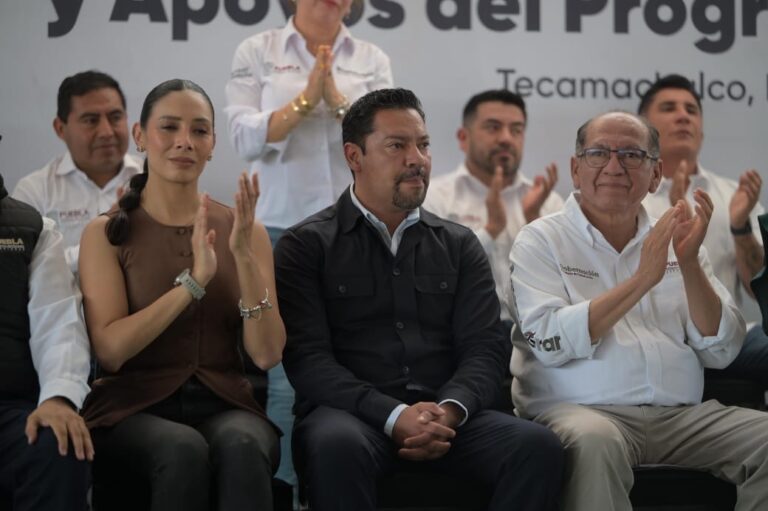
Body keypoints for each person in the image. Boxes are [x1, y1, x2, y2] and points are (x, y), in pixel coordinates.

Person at [275, 88, 564, 511]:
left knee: (536, 446)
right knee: (335, 443)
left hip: (447, 416)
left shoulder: (459, 244)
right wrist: (394, 416)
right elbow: (308, 361)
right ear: (354, 157)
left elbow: (485, 348)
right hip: (353, 416)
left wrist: (448, 411)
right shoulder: (306, 245)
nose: (417, 158)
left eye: (423, 144)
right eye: (397, 145)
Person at [509, 110, 768, 511]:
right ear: (576, 170)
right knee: (594, 440)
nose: (614, 166)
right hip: (584, 413)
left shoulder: (677, 237)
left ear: (655, 174)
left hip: (680, 418)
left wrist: (687, 265)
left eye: (632, 155)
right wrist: (641, 280)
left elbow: (722, 349)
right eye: (598, 153)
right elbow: (549, 338)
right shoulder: (540, 240)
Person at [79, 79, 285, 511]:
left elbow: (266, 355)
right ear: (140, 136)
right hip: (131, 408)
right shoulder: (106, 232)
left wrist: (244, 258)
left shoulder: (246, 231)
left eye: (199, 131)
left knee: (244, 442)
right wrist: (193, 283)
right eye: (169, 128)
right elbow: (112, 351)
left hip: (225, 401)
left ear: (212, 145)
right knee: (182, 449)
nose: (184, 143)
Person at [225, 0, 393, 489]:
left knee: (361, 361)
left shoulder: (372, 58)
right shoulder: (258, 50)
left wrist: (337, 100)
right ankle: (285, 492)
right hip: (281, 232)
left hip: (356, 228)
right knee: (284, 371)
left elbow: (386, 138)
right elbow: (242, 137)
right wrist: (304, 101)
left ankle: (345, 487)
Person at [638, 74, 767, 386]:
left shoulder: (733, 196)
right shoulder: (628, 196)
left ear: (702, 130)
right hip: (653, 341)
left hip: (727, 339)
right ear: (643, 127)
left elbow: (758, 290)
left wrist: (740, 228)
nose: (683, 116)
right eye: (669, 108)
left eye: (691, 110)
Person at [423, 89, 562, 323]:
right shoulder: (434, 198)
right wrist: (491, 230)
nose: (506, 138)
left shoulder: (547, 201)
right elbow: (430, 277)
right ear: (463, 138)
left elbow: (569, 280)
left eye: (516, 130)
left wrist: (534, 222)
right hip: (459, 336)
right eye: (493, 127)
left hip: (537, 339)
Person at [0, 170, 92, 510]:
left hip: (8, 410)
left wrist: (58, 398)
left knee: (59, 443)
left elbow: (59, 325)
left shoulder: (33, 230)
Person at [12, 70, 142, 275]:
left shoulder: (152, 180)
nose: (107, 132)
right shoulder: (34, 191)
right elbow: (22, 267)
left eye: (115, 117)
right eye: (91, 120)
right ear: (60, 129)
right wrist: (106, 240)